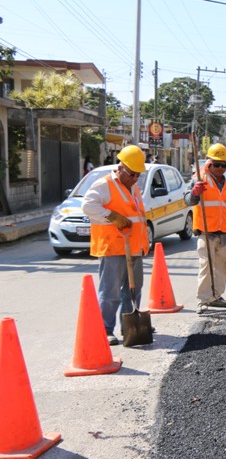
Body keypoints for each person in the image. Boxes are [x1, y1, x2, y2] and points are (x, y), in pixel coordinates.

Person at [81, 145, 149, 345]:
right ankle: (105, 328)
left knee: (133, 290)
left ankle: (128, 326)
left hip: (134, 246)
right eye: (132, 174)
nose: (135, 178)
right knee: (110, 291)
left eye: (138, 175)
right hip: (113, 247)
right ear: (121, 168)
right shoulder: (104, 185)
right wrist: (110, 216)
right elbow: (87, 206)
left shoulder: (133, 187)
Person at [186, 143, 226, 313]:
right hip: (206, 232)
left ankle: (215, 296)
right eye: (216, 164)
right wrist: (195, 192)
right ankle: (203, 300)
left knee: (223, 267)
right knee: (206, 266)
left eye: (223, 164)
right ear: (209, 163)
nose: (219, 168)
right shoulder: (199, 179)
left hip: (224, 233)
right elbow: (187, 200)